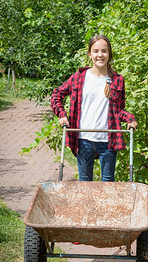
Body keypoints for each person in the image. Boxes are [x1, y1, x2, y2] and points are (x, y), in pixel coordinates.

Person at [50, 35, 137, 182]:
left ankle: (105, 206)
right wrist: (62, 115)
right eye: (96, 51)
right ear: (90, 54)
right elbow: (56, 95)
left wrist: (130, 118)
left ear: (109, 54)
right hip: (84, 139)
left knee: (108, 182)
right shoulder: (79, 77)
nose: (100, 55)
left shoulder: (117, 80)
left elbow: (118, 110)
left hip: (108, 139)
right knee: (85, 183)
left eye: (104, 51)